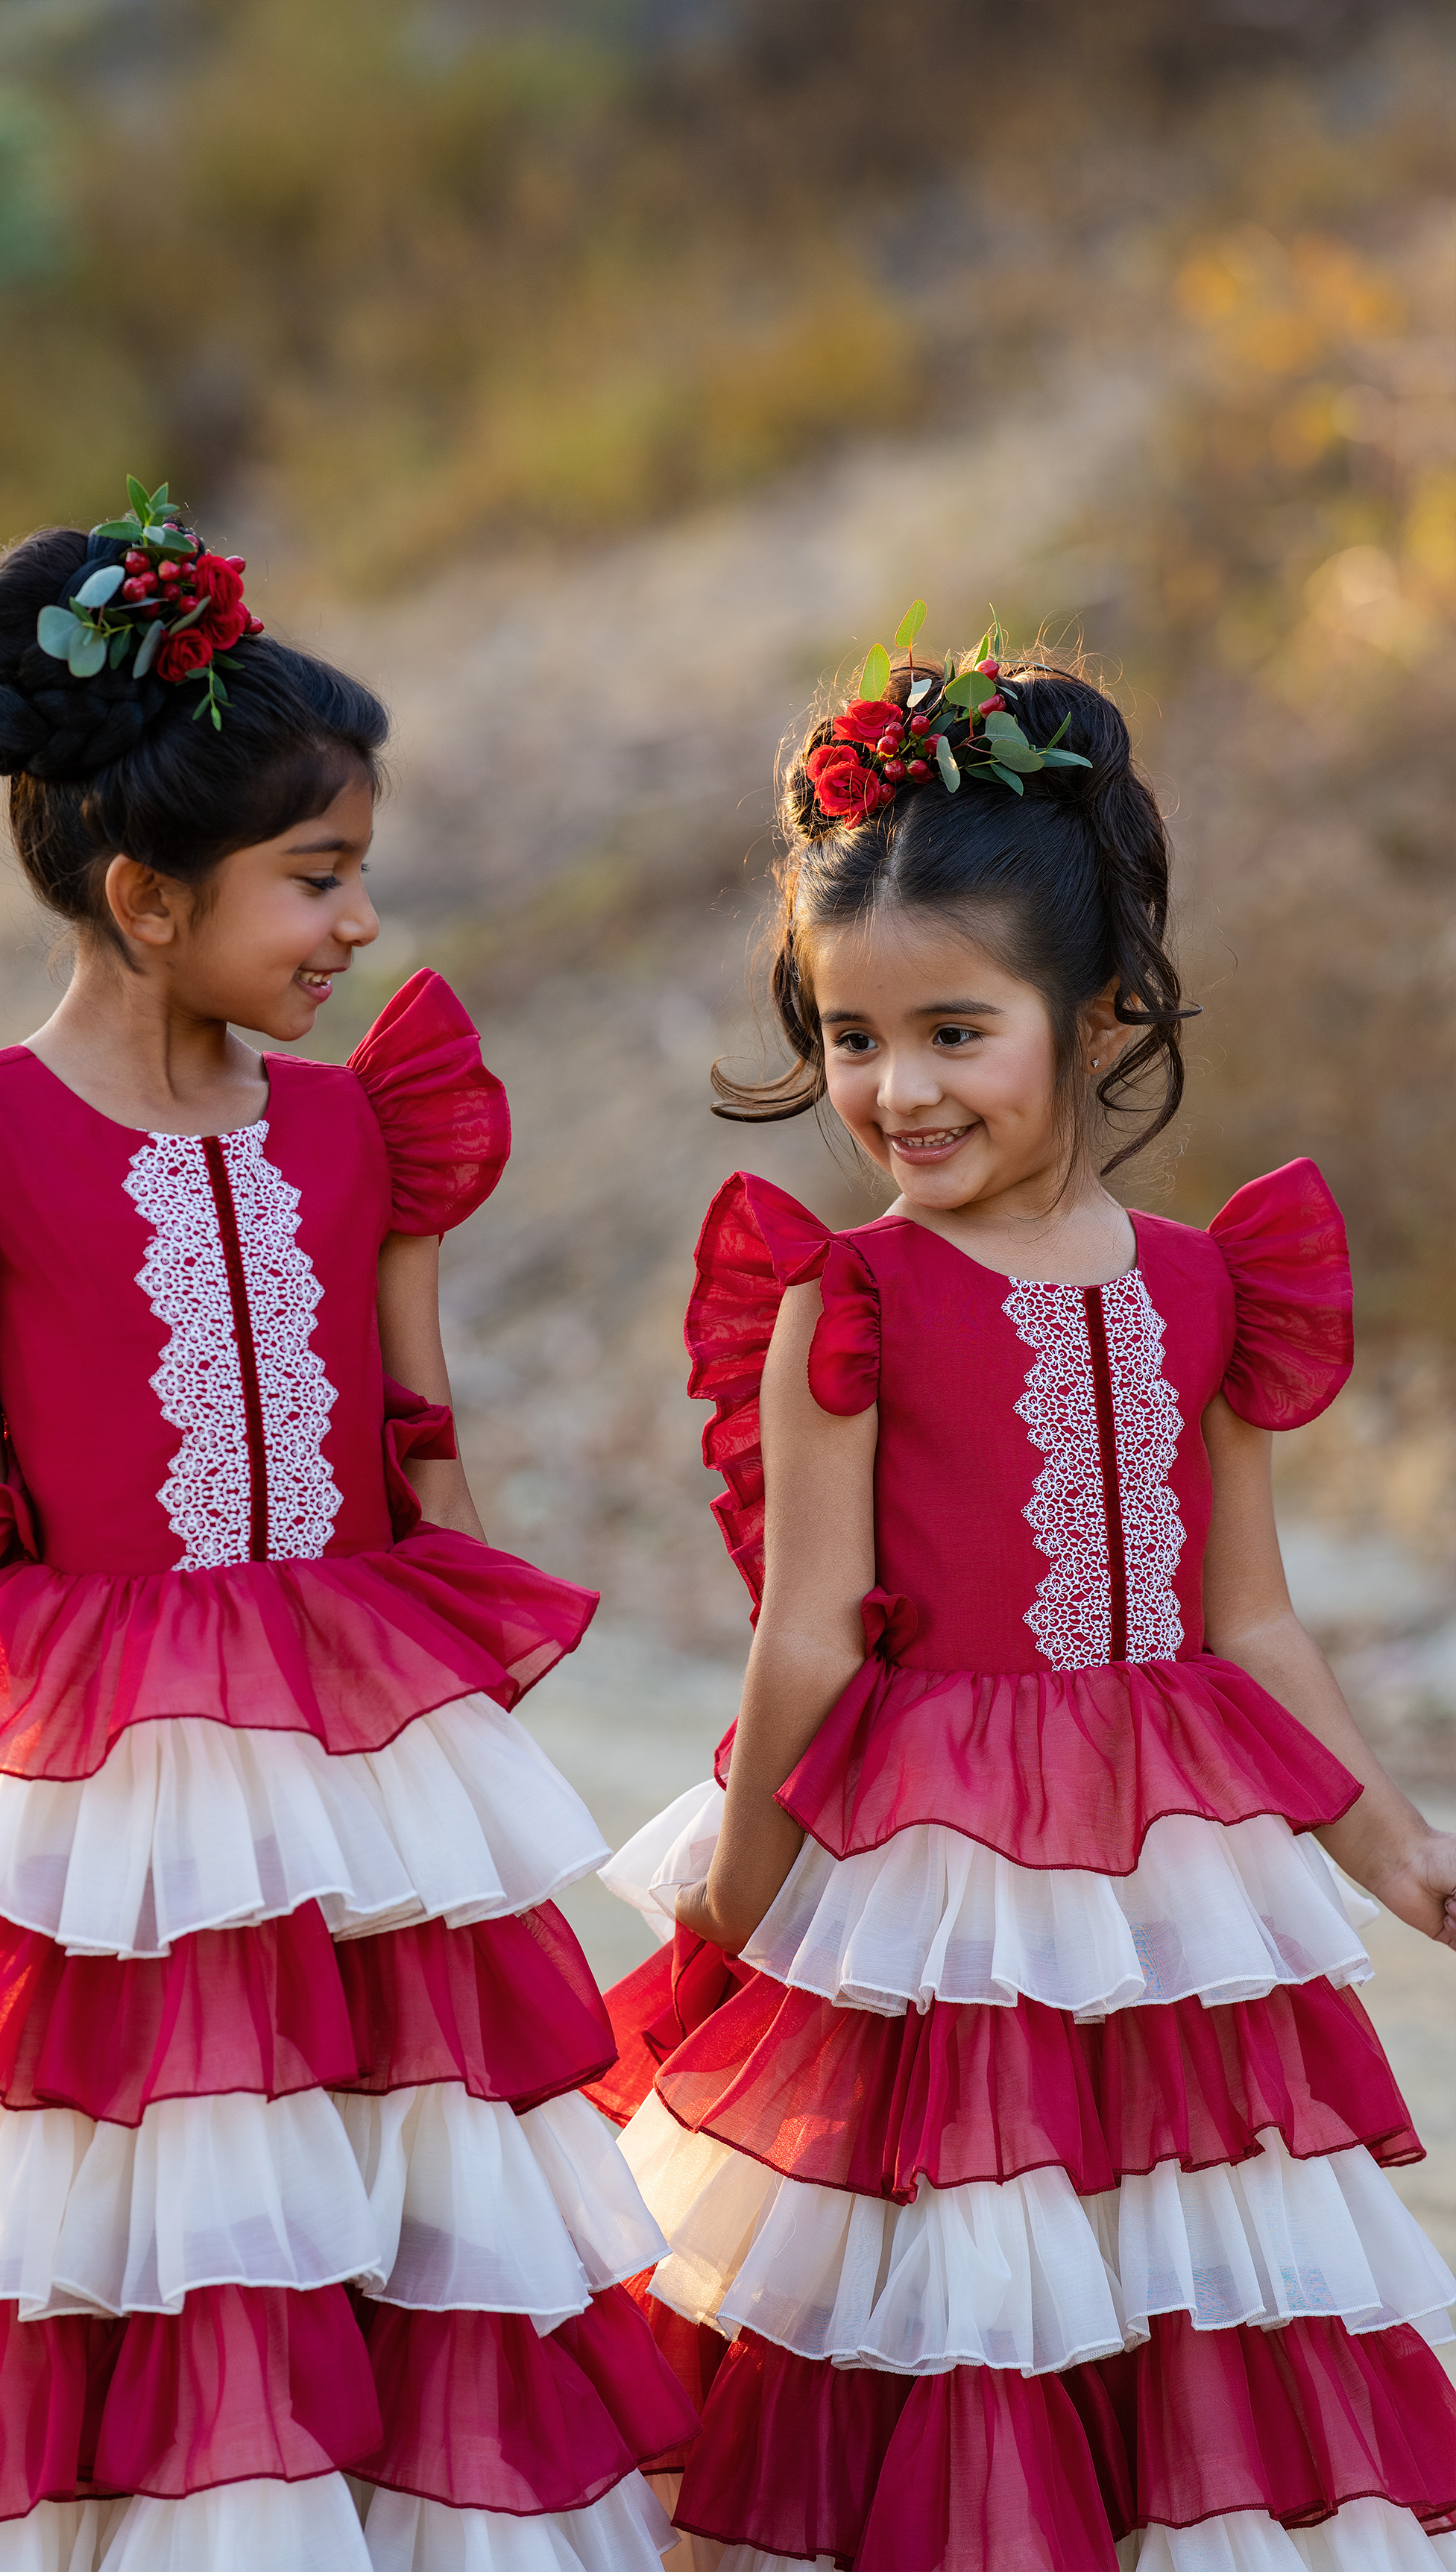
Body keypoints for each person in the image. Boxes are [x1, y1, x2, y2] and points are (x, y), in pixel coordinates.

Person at [0, 486, 696, 2568]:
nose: (358, 925)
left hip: (362, 1817)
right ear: (146, 897)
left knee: (389, 2247)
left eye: (358, 875)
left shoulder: (368, 1131)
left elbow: (427, 1473)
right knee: (120, 2254)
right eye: (315, 879)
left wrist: (465, 1804)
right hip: (102, 1819)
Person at [590, 627, 1456, 2571]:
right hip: (928, 1893)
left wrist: (1390, 1842)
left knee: (1173, 2305)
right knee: (938, 2314)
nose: (892, 1090)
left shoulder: (1212, 1284)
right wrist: (734, 1891)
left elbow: (1248, 1623)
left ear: (1095, 1008)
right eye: (847, 1038)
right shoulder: (852, 1301)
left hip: (1164, 1900)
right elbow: (805, 1633)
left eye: (948, 1031)